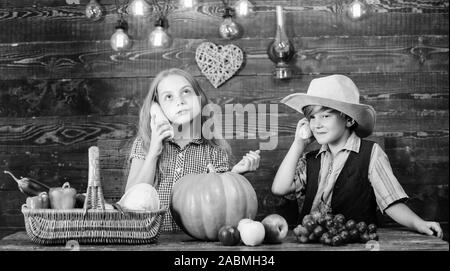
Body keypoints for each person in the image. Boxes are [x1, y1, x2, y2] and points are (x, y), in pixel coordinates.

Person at [273, 74, 443, 238]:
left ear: (349, 119)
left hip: (354, 241)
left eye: (325, 116)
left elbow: (391, 202)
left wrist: (419, 223)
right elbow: (279, 188)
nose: (317, 124)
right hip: (311, 243)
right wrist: (298, 144)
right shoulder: (310, 159)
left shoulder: (371, 153)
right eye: (312, 117)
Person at [126, 68, 260, 232]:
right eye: (168, 97)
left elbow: (222, 202)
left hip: (194, 243)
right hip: (150, 238)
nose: (180, 101)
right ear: (157, 107)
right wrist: (154, 149)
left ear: (199, 98)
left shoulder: (214, 149)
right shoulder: (145, 143)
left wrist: (235, 174)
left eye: (186, 92)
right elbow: (131, 199)